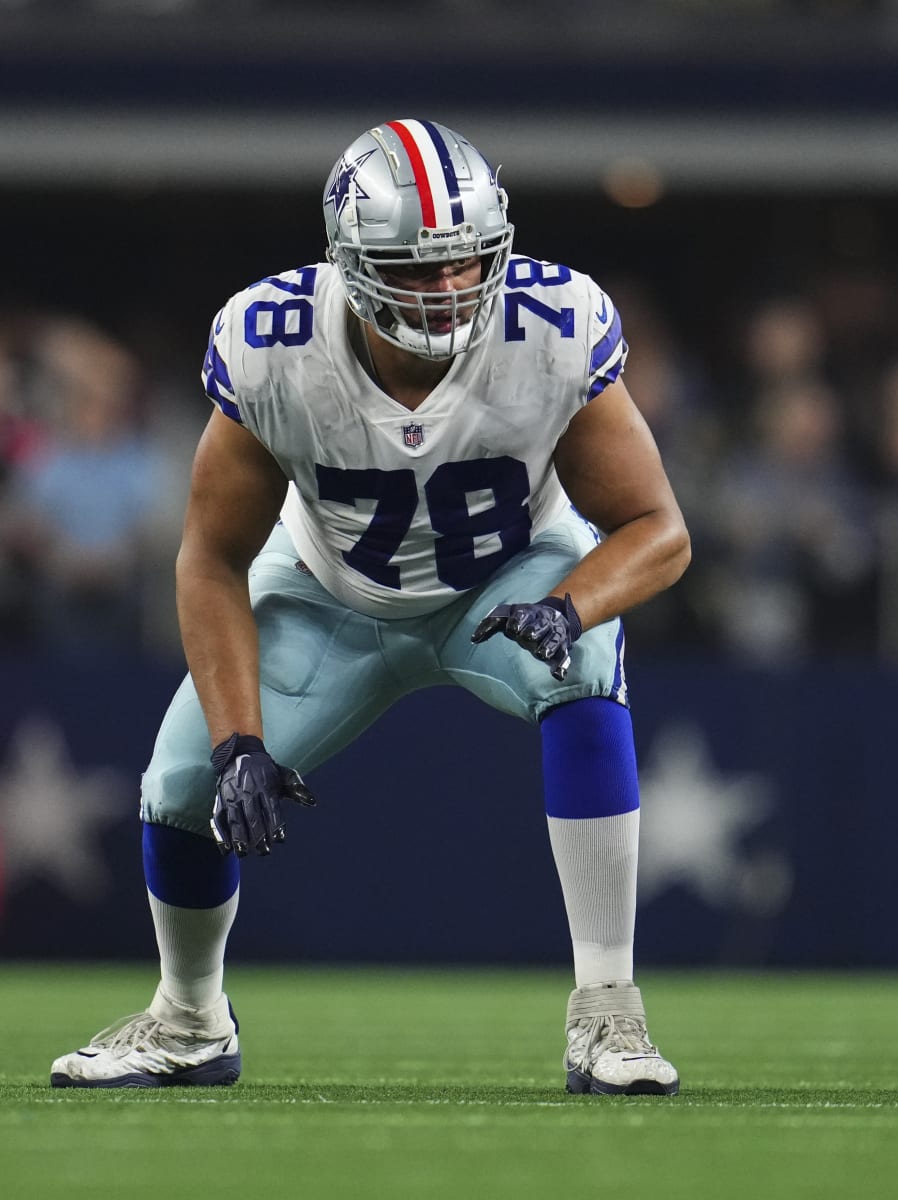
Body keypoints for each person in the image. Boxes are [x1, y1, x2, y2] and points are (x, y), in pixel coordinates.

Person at [49, 120, 690, 1096]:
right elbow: (212, 559)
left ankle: (609, 1009)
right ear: (348, 262)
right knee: (180, 785)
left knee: (584, 670)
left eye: (464, 262)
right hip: (328, 592)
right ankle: (188, 1019)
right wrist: (236, 746)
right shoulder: (275, 346)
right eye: (412, 267)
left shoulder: (551, 326)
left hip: (507, 579)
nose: (445, 289)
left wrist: (571, 604)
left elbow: (658, 528)